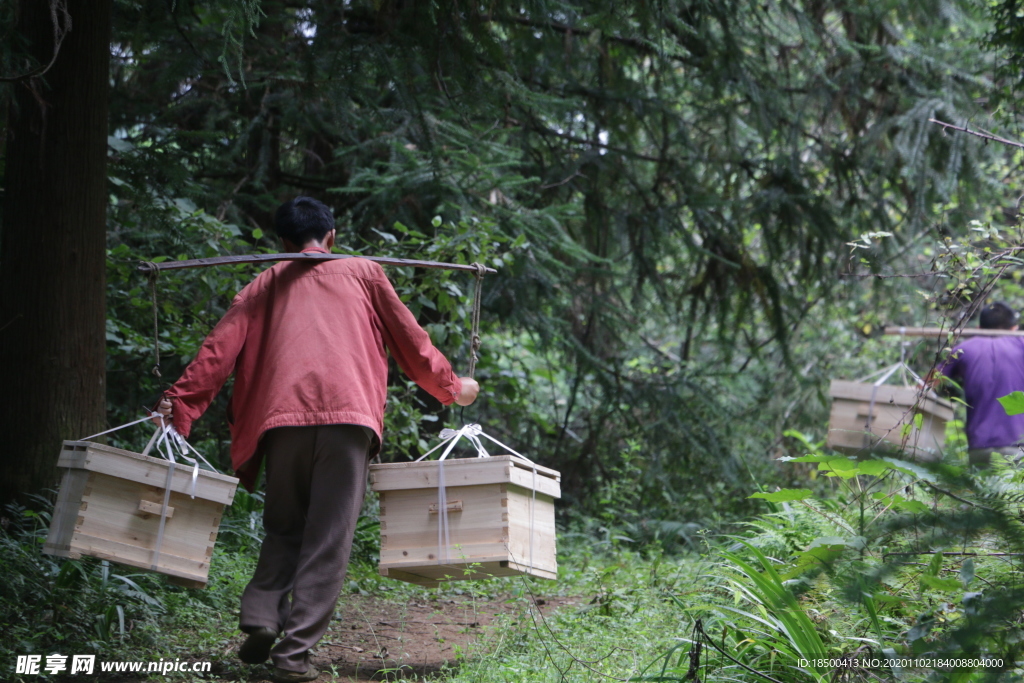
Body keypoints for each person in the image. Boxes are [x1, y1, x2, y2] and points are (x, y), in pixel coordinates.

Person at [154, 196, 480, 683]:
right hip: (348, 424)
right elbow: (413, 344)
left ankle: (263, 614)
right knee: (328, 540)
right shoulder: (365, 273)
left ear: (283, 244)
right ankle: (293, 657)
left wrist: (176, 405)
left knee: (284, 526)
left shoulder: (265, 282)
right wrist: (455, 390)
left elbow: (217, 353)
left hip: (281, 423)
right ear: (331, 237)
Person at [934, 301, 1024, 465]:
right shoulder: (1021, 344)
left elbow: (927, 383)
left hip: (979, 447)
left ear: (978, 329)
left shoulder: (964, 349)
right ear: (1014, 329)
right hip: (1018, 447)